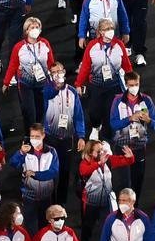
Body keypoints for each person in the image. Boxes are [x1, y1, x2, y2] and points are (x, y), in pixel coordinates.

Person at [75, 19, 133, 136]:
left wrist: (132, 82)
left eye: (111, 29)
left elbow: (127, 65)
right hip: (96, 85)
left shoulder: (119, 45)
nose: (110, 31)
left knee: (110, 112)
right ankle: (96, 127)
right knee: (93, 112)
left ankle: (110, 136)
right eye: (107, 29)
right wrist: (78, 84)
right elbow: (85, 67)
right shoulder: (92, 46)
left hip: (113, 85)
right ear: (101, 32)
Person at [79, 139, 136, 241]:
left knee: (108, 225)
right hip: (91, 201)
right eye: (98, 151)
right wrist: (99, 163)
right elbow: (84, 171)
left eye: (102, 149)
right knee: (88, 228)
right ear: (91, 153)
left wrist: (130, 157)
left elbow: (124, 161)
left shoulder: (108, 160)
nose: (102, 153)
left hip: (106, 201)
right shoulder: (84, 163)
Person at [110, 71, 155, 198]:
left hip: (139, 147)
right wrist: (129, 118)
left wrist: (148, 120)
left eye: (136, 84)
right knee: (123, 183)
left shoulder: (147, 100)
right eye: (131, 85)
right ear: (126, 85)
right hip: (122, 147)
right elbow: (113, 124)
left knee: (137, 182)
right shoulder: (117, 100)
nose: (134, 88)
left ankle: (134, 209)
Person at [44, 62, 87, 205]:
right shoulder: (46, 91)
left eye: (59, 71)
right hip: (50, 138)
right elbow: (46, 99)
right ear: (50, 75)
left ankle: (60, 205)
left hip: (67, 138)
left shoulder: (73, 92)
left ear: (64, 72)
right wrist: (55, 87)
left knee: (64, 173)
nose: (57, 74)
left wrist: (81, 136)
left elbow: (79, 116)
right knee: (51, 172)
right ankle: (50, 202)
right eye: (54, 72)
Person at [3, 16, 55, 131]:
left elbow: (51, 62)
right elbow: (13, 65)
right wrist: (6, 82)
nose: (35, 29)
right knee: (29, 112)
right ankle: (28, 135)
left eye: (37, 27)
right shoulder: (19, 47)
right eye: (32, 27)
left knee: (41, 111)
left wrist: (55, 77)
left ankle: (38, 134)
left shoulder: (45, 43)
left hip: (42, 83)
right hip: (25, 84)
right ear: (26, 30)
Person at [11, 122, 59, 225]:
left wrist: (35, 174)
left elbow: (53, 172)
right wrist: (20, 152)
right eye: (32, 136)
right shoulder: (26, 151)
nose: (34, 139)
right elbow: (13, 163)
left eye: (37, 136)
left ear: (43, 136)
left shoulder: (51, 152)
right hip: (29, 196)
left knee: (45, 225)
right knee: (29, 227)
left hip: (46, 197)